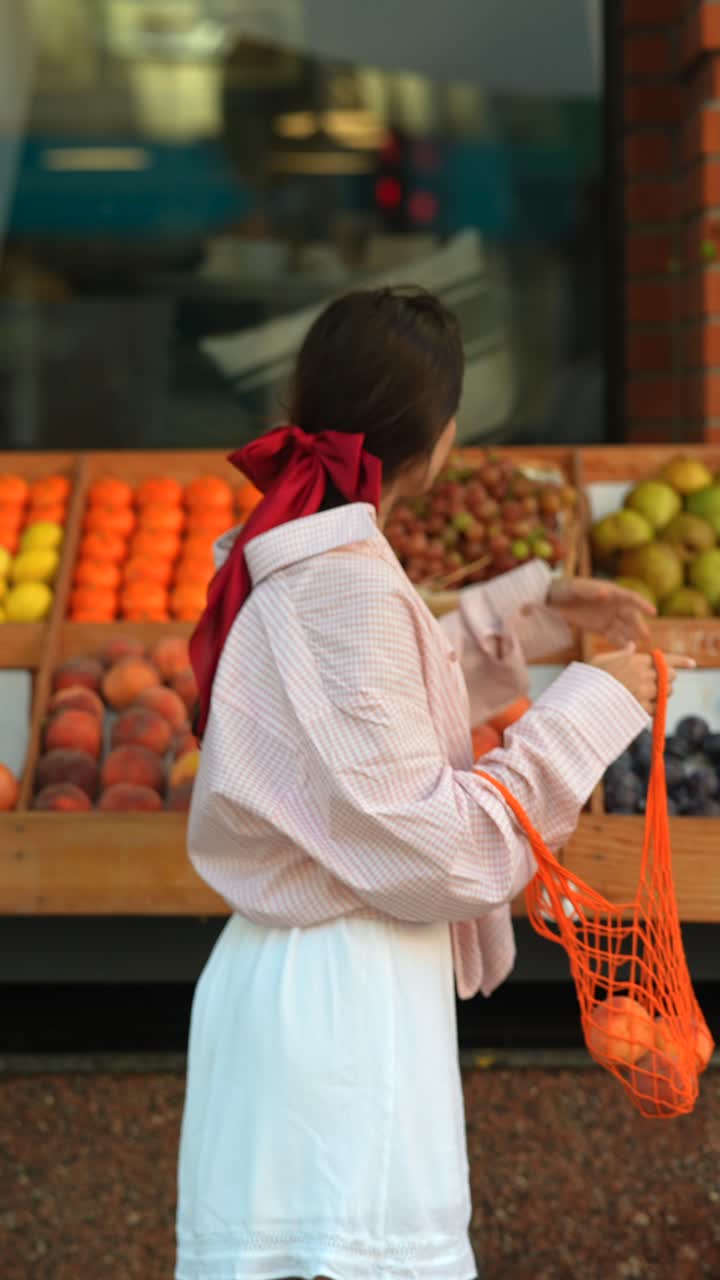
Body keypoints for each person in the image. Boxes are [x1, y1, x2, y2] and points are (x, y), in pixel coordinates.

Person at [175, 286, 692, 1280]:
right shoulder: (343, 582)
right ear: (442, 438)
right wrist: (587, 705)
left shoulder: (317, 559)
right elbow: (433, 844)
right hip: (336, 996)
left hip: (315, 981)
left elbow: (359, 708)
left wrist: (531, 610)